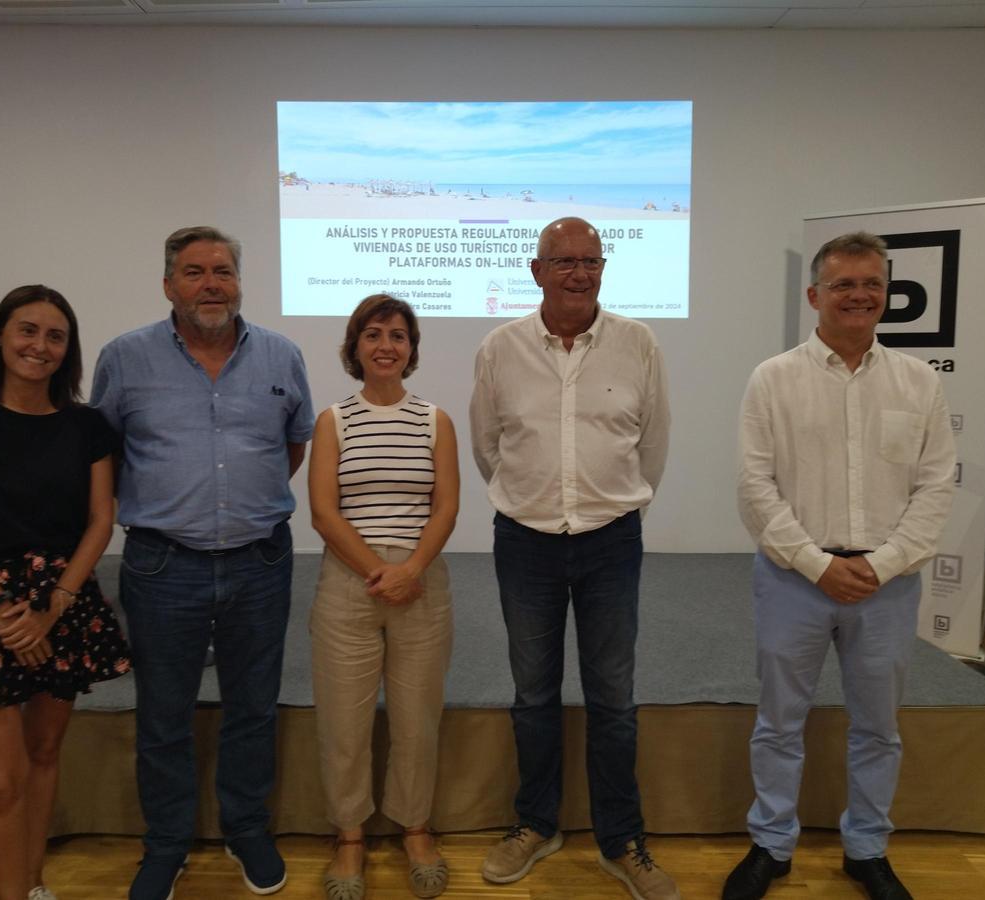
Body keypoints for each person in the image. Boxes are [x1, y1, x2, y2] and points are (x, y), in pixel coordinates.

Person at [724, 232, 955, 900]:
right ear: (814, 295)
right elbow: (754, 487)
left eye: (872, 284)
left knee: (879, 728)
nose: (859, 295)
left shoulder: (917, 383)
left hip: (887, 588)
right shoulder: (774, 378)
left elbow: (937, 487)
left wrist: (880, 566)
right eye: (844, 284)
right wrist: (815, 563)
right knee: (778, 723)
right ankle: (771, 844)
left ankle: (867, 849)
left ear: (888, 294)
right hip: (793, 580)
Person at [91, 226, 314, 900]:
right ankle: (167, 843)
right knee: (163, 712)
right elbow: (104, 452)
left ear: (239, 281)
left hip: (259, 563)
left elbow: (292, 447)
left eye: (222, 270)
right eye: (193, 272)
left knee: (253, 708)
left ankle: (247, 827)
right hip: (164, 567)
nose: (210, 283)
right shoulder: (124, 358)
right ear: (168, 285)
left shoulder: (281, 355)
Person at [469, 217, 675, 900]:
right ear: (536, 271)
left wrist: (614, 508)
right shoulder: (499, 348)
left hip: (611, 541)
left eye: (590, 260)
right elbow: (488, 444)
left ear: (603, 268)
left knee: (613, 698)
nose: (578, 273)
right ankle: (536, 824)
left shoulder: (638, 344)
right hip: (525, 541)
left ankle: (623, 840)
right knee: (533, 695)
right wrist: (532, 501)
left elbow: (652, 444)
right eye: (563, 261)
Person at [0, 285, 130, 900]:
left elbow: (100, 520)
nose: (40, 346)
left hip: (62, 605)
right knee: (0, 780)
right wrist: (4, 612)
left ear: (69, 350)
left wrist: (54, 606)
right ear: (1, 338)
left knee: (43, 755)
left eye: (55, 336)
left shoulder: (87, 427)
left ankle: (34, 886)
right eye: (27, 330)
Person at [308, 294, 459, 900]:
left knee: (417, 719)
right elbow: (323, 511)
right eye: (373, 334)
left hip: (421, 582)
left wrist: (410, 568)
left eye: (398, 335)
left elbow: (446, 506)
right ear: (355, 347)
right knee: (343, 720)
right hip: (349, 582)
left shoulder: (435, 420)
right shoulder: (333, 421)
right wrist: (378, 570)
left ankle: (414, 828)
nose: (386, 345)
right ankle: (349, 836)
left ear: (412, 350)